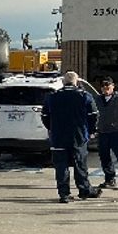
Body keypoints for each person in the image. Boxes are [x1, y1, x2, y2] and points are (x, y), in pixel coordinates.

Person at [41, 71, 102, 203]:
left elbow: (44, 116)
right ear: (76, 82)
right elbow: (94, 115)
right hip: (78, 137)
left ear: (63, 82)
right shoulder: (84, 96)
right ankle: (84, 190)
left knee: (61, 166)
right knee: (80, 165)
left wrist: (52, 128)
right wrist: (91, 131)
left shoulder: (52, 97)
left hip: (58, 137)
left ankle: (64, 194)